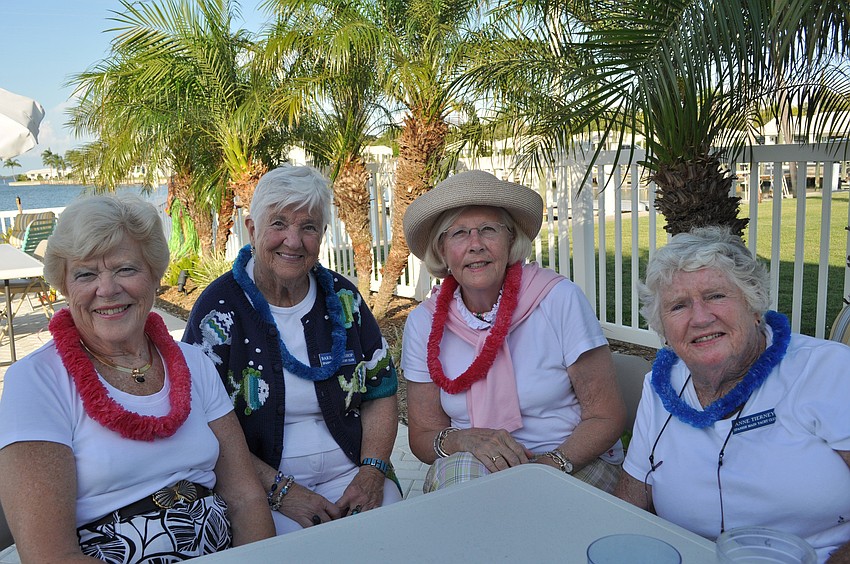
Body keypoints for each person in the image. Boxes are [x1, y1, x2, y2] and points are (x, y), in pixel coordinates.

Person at [0, 194, 274, 563]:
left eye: (126, 269)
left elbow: (245, 496)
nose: (107, 289)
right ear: (64, 286)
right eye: (86, 274)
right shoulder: (35, 381)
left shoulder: (193, 363)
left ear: (155, 275)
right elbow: (51, 555)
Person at [183, 165, 401, 535]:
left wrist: (372, 471)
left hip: (352, 474)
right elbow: (201, 421)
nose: (294, 241)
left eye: (309, 227)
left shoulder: (343, 298)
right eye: (279, 223)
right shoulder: (219, 309)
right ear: (252, 230)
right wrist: (281, 491)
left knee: (394, 538)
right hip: (259, 486)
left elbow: (380, 390)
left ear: (323, 235)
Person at [615, 226, 850, 562]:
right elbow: (632, 497)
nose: (700, 317)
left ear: (754, 306)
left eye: (716, 296)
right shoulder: (661, 387)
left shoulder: (828, 371)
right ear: (663, 330)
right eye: (679, 306)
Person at [401, 170, 626, 493]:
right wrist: (463, 438)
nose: (475, 245)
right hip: (476, 463)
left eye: (488, 230)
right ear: (441, 251)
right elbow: (423, 435)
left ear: (511, 240)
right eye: (459, 233)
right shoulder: (424, 322)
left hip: (570, 459)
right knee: (466, 483)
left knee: (529, 512)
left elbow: (606, 416)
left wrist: (547, 467)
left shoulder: (559, 299)